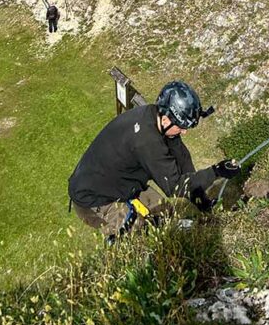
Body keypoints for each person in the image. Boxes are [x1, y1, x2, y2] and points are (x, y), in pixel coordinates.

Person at [68, 80, 241, 241]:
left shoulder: (159, 119)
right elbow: (174, 187)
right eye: (182, 127)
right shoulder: (147, 141)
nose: (184, 132)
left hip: (121, 182)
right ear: (166, 118)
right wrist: (216, 171)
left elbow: (182, 160)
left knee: (165, 213)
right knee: (139, 234)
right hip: (94, 198)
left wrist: (199, 198)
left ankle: (179, 242)